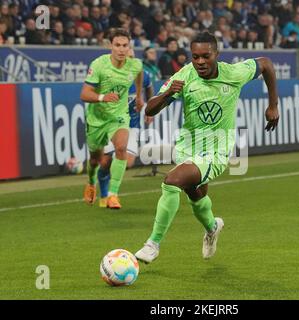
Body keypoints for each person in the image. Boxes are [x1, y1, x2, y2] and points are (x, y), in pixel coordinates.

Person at [134, 31, 279, 264]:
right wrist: (169, 93)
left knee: (171, 182)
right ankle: (212, 228)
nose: (200, 62)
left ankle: (152, 244)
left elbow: (266, 64)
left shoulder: (233, 73)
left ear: (216, 55)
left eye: (205, 56)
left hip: (216, 151)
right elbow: (150, 110)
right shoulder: (184, 76)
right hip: (187, 148)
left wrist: (273, 105)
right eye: (195, 57)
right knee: (196, 196)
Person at [80, 28, 143, 209]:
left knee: (121, 148)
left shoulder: (135, 64)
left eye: (125, 45)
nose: (122, 49)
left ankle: (113, 195)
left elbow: (139, 74)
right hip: (97, 118)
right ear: (110, 46)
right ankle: (91, 182)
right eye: (118, 45)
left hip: (119, 116)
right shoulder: (99, 65)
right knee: (95, 160)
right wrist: (102, 97)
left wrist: (138, 96)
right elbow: (84, 93)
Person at [97, 48, 155, 208]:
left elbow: (150, 89)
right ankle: (104, 193)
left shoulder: (142, 74)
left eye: (132, 57)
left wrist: (150, 109)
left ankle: (112, 194)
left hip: (132, 124)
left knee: (128, 161)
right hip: (111, 122)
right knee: (105, 162)